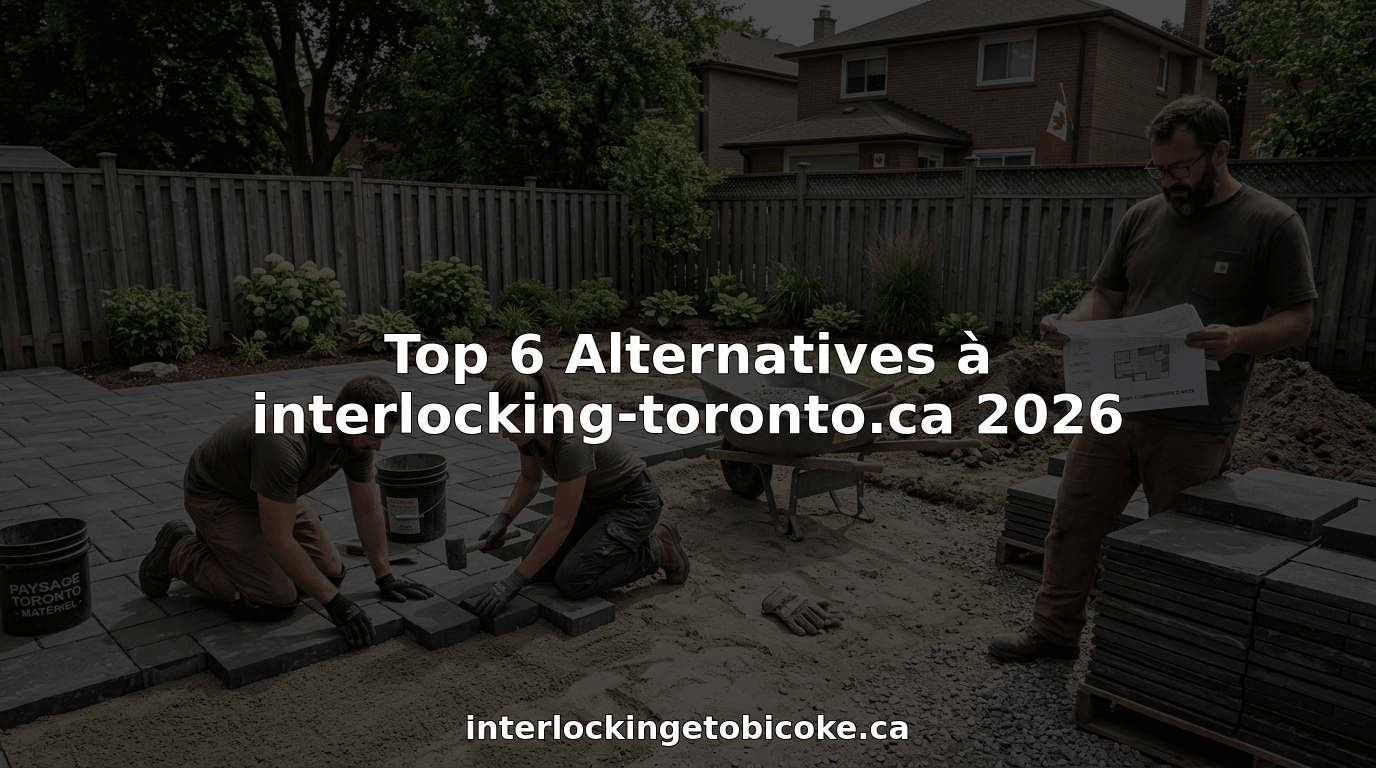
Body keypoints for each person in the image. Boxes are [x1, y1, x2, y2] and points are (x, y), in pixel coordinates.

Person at [988, 95, 1316, 661]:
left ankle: (1157, 659)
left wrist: (1237, 338)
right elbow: (1107, 297)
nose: (1169, 182)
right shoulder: (1141, 217)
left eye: (1181, 168)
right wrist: (1071, 324)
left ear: (1220, 153)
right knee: (1073, 521)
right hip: (1116, 405)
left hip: (1196, 422)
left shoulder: (1272, 223)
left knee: (1174, 544)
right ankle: (1054, 630)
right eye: (1159, 170)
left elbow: (1298, 318)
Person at [138, 375, 435, 648]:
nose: (378, 447)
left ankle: (232, 547)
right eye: (372, 437)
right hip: (217, 495)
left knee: (329, 575)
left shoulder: (358, 444)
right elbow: (278, 540)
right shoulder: (285, 442)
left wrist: (385, 577)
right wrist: (337, 606)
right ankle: (180, 549)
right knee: (275, 601)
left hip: (270, 493)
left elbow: (368, 509)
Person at [468, 371, 689, 617]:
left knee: (572, 581)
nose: (503, 433)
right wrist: (503, 519)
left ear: (538, 415)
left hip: (632, 504)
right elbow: (530, 479)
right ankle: (602, 539)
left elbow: (563, 523)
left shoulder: (571, 443)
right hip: (592, 501)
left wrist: (512, 582)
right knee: (537, 566)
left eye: (508, 425)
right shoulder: (530, 429)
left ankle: (660, 549)